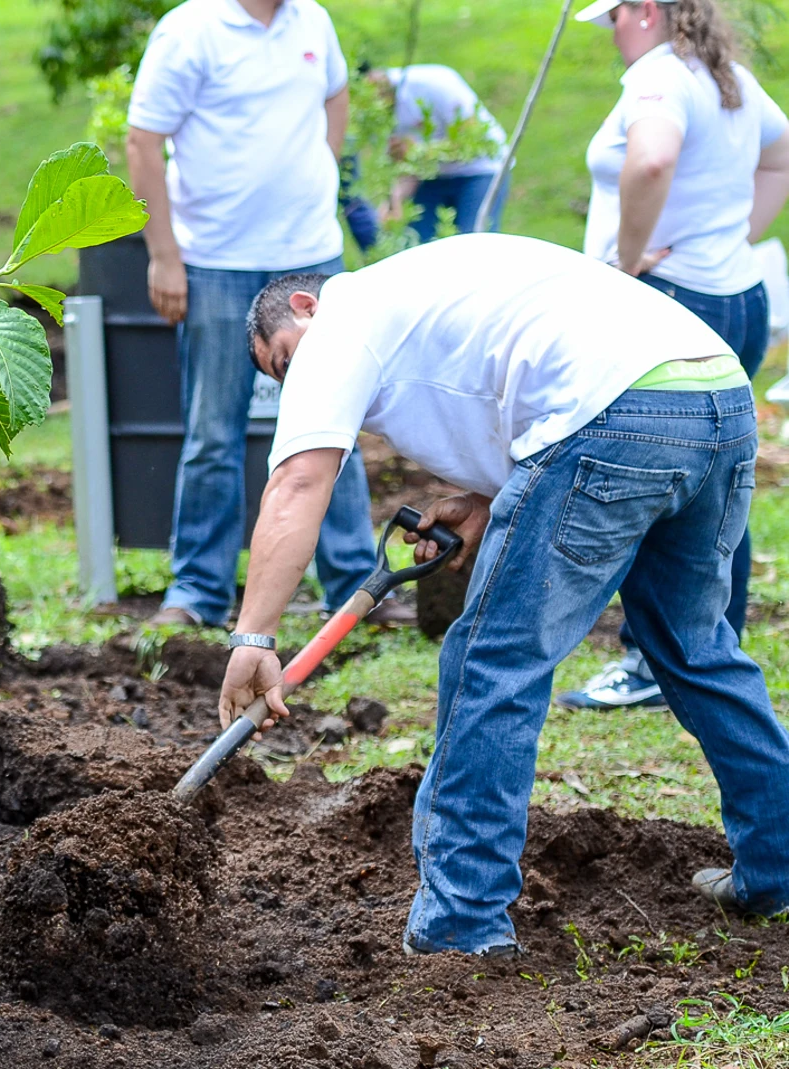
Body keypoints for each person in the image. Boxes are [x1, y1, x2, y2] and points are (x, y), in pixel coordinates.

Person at [225, 233, 789, 956]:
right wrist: (490, 495)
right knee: (695, 647)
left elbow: (299, 482)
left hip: (615, 409)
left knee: (494, 662)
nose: (295, 375)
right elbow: (527, 390)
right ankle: (776, 865)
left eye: (286, 359)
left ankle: (461, 923)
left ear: (304, 304)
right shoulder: (424, 292)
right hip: (715, 394)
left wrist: (253, 636)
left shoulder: (344, 316)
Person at [124, 0, 388, 629]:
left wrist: (315, 178)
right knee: (213, 431)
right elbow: (142, 141)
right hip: (216, 261)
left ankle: (354, 589)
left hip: (311, 255)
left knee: (337, 422)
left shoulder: (313, 22)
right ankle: (198, 591)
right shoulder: (190, 30)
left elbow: (336, 96)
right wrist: (164, 255)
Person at [557, 0, 789, 711]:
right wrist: (733, 236)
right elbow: (780, 153)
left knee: (655, 483)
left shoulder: (658, 78)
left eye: (616, 19)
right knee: (718, 482)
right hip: (737, 297)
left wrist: (626, 261)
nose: (613, 37)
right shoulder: (728, 77)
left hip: (676, 303)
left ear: (648, 11)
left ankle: (652, 661)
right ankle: (709, 642)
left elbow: (652, 156)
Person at [366, 63, 510, 242]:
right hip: (431, 175)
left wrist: (419, 151)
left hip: (480, 168)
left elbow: (472, 140)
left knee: (475, 242)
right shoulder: (372, 115)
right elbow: (406, 164)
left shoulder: (433, 85)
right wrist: (394, 201)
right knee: (419, 243)